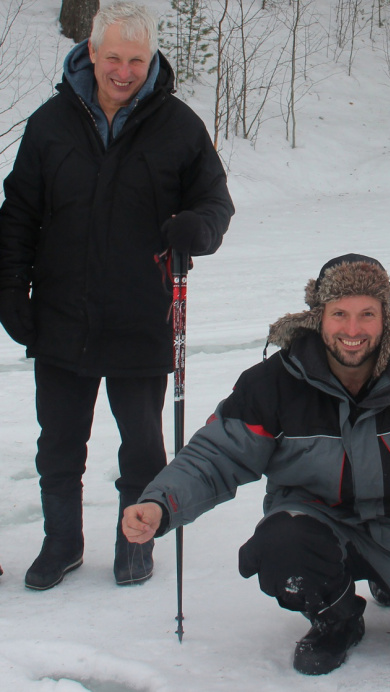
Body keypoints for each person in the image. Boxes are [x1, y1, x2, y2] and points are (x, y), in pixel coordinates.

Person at [121, 254, 390, 678]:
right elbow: (217, 456)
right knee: (282, 543)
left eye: (367, 314)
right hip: (314, 524)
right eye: (339, 313)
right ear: (319, 316)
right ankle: (336, 617)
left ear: (387, 317)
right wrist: (161, 503)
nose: (353, 330)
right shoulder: (275, 381)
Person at [0, 1, 234, 591]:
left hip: (142, 313)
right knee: (58, 441)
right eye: (113, 58)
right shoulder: (51, 123)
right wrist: (10, 287)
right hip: (60, 313)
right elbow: (18, 214)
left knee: (142, 442)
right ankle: (62, 543)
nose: (124, 71)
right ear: (92, 53)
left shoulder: (178, 126)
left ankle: (137, 541)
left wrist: (197, 229)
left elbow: (214, 202)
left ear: (150, 58)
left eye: (136, 59)